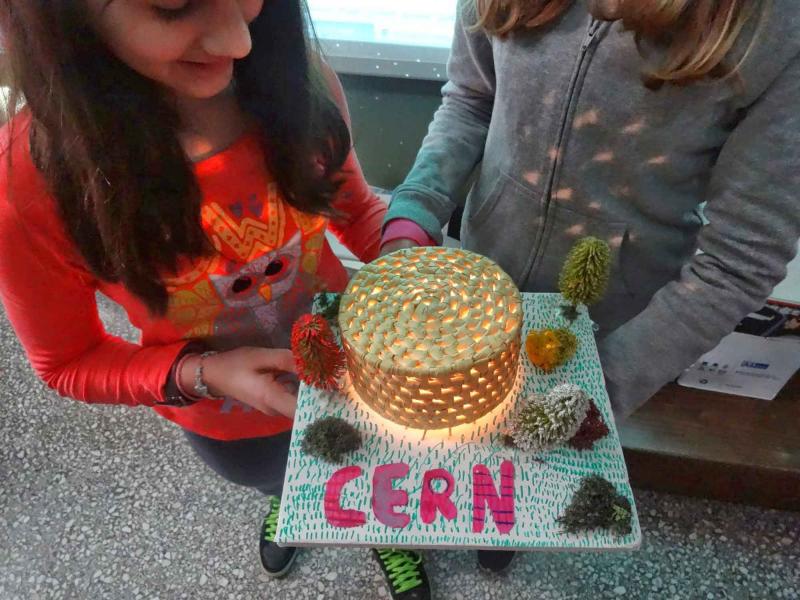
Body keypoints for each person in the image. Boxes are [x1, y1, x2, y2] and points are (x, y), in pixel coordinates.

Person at [0, 1, 431, 598]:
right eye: (175, 8)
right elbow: (66, 361)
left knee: (373, 470)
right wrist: (207, 373)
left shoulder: (292, 76)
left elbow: (352, 206)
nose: (238, 41)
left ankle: (386, 529)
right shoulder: (32, 183)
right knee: (282, 476)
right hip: (229, 423)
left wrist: (402, 259)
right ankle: (291, 501)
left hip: (361, 372)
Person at [381, 0, 800, 573]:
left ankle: (503, 528)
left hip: (609, 321)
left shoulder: (776, 29)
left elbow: (739, 258)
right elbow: (471, 99)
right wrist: (414, 213)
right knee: (452, 422)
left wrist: (602, 384)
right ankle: (445, 516)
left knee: (533, 453)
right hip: (482, 278)